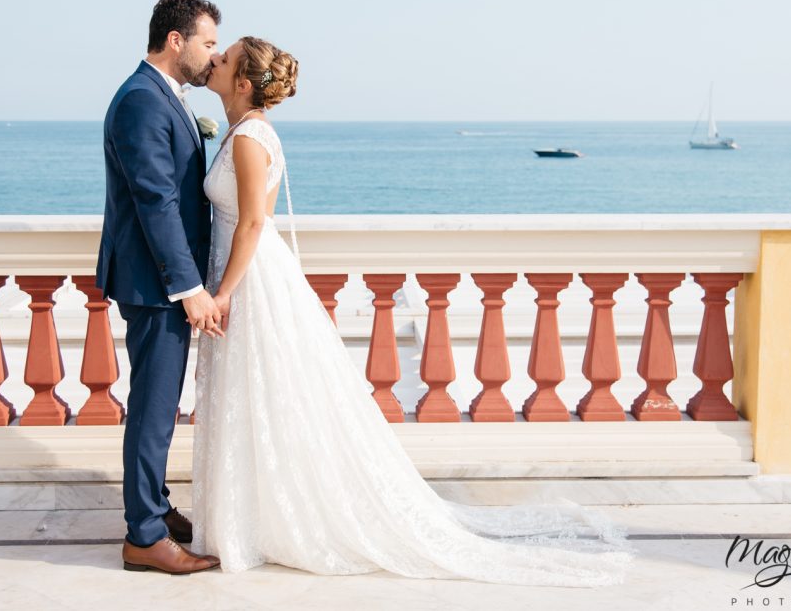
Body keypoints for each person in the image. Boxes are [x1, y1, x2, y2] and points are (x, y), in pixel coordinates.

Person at [190, 36, 634, 586]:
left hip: (251, 280)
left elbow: (254, 222)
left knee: (262, 390)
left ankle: (271, 518)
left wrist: (225, 292)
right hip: (244, 272)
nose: (213, 59)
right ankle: (253, 517)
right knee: (254, 396)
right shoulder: (237, 131)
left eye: (224, 58)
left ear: (242, 82)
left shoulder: (250, 138)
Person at [96, 0, 223, 575]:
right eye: (208, 43)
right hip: (155, 285)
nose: (212, 55)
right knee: (153, 408)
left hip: (159, 280)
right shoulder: (143, 101)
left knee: (161, 404)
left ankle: (155, 507)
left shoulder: (160, 96)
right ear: (177, 41)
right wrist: (188, 287)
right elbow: (156, 201)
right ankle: (144, 535)